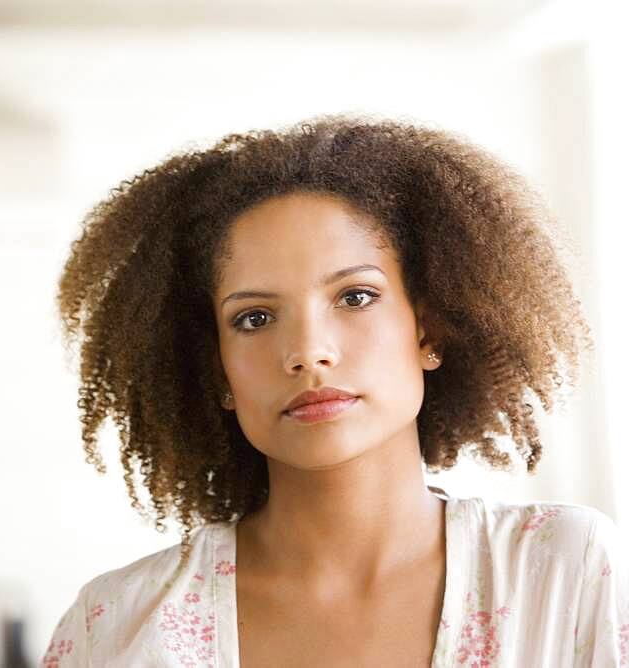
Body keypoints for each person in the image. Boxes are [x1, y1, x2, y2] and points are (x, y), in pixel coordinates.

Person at [41, 114, 628, 666]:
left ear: (428, 330)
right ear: (216, 370)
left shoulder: (568, 569)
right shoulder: (116, 628)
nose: (308, 352)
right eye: (254, 319)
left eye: (355, 297)